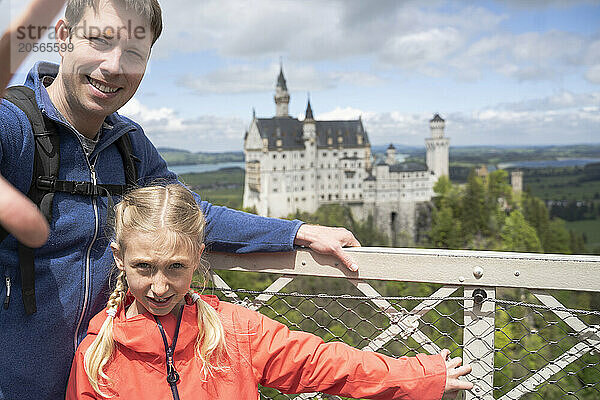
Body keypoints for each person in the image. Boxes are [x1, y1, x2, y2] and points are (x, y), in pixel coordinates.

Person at [0, 1, 360, 399]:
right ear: (64, 37)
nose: (114, 66)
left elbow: (194, 214)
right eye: (100, 41)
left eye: (134, 52)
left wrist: (297, 232)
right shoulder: (15, 128)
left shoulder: (127, 145)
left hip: (103, 383)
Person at [66, 184, 472, 399]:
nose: (159, 287)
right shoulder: (98, 357)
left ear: (199, 258)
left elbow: (325, 363)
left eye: (176, 267)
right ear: (118, 259)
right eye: (144, 267)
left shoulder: (233, 331)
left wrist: (421, 375)